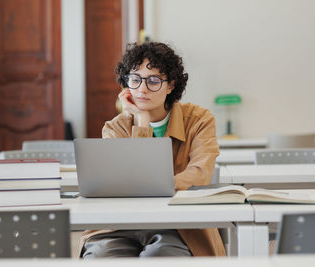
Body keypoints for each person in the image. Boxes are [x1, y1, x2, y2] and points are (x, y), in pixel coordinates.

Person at [81, 42, 226, 258]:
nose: (142, 89)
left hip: (178, 225)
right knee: (102, 256)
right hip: (120, 224)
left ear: (170, 85)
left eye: (154, 81)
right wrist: (141, 121)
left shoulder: (199, 119)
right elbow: (124, 180)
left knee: (161, 255)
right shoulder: (115, 127)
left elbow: (200, 174)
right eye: (135, 79)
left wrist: (155, 186)